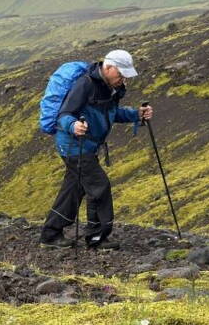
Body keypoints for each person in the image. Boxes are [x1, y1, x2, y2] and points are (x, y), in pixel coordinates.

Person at [39, 50, 152, 249]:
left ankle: (51, 234)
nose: (124, 79)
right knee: (99, 186)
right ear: (108, 68)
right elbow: (65, 114)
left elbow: (112, 112)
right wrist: (73, 125)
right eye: (121, 74)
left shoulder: (109, 87)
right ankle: (96, 237)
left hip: (87, 146)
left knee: (74, 188)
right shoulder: (86, 84)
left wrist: (136, 114)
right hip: (73, 145)